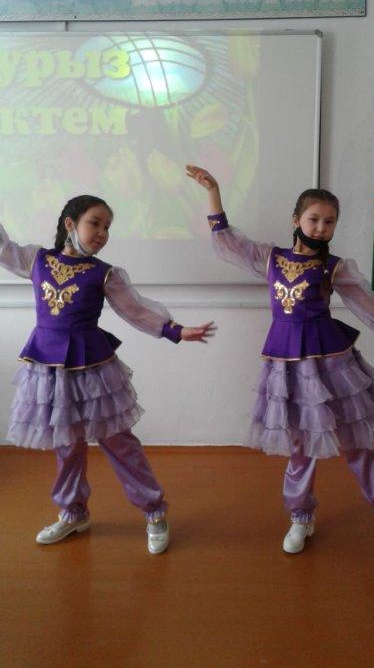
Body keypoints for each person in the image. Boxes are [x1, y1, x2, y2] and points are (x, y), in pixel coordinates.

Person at [186, 165, 374, 554]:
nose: (321, 228)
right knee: (299, 445)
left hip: (331, 364)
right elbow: (227, 242)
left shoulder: (334, 267)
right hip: (286, 364)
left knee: (358, 442)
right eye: (314, 219)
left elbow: (368, 306)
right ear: (296, 219)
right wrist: (213, 192)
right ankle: (300, 516)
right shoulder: (270, 258)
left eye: (329, 222)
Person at [1, 195, 214, 553]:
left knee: (119, 442)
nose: (102, 233)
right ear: (70, 224)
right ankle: (73, 513)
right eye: (95, 223)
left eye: (107, 227)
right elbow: (4, 248)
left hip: (92, 368)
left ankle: (154, 512)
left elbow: (136, 310)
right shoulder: (37, 260)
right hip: (50, 368)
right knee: (66, 444)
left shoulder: (104, 273)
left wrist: (176, 331)